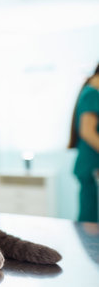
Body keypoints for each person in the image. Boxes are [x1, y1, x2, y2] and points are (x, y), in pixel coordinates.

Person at [68, 63, 99, 222]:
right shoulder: (92, 94)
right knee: (91, 221)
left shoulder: (91, 92)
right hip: (92, 168)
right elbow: (87, 132)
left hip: (91, 167)